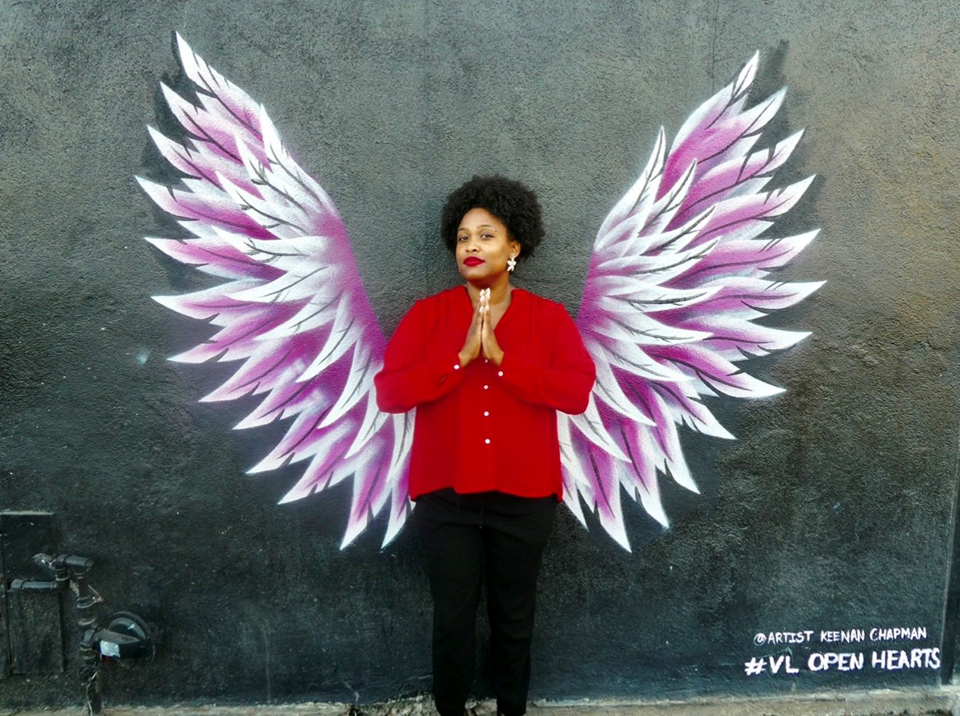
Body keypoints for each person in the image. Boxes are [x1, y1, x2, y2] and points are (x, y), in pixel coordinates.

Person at [374, 175, 596, 716]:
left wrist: (502, 358)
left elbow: (575, 392)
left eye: (487, 235)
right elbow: (390, 393)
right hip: (445, 499)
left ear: (514, 247)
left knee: (514, 619)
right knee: (451, 619)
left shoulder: (548, 319)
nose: (472, 247)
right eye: (463, 238)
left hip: (524, 499)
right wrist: (459, 358)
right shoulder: (428, 316)